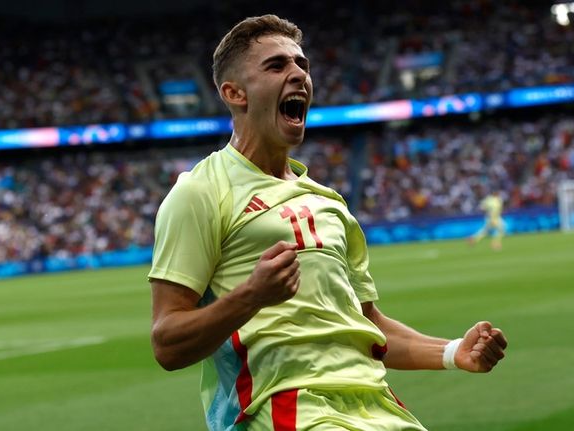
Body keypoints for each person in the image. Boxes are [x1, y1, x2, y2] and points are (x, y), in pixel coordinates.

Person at [148, 15, 507, 431]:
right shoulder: (200, 192)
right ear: (234, 93)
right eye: (277, 66)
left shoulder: (329, 202)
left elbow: (365, 323)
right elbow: (167, 343)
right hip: (286, 409)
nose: (299, 74)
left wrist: (452, 352)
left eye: (302, 64)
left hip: (378, 405)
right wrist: (250, 296)